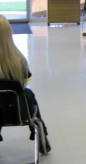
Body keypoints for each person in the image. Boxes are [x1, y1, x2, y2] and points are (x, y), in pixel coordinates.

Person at [0, 14, 51, 154]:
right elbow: (25, 81)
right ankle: (43, 139)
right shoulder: (18, 60)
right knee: (27, 93)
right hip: (17, 112)